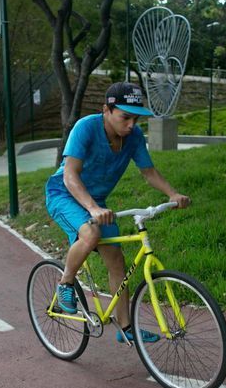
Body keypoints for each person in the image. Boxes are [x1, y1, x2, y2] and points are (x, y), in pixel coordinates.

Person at [44, 82, 190, 344]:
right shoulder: (86, 128)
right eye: (125, 117)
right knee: (90, 234)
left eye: (136, 118)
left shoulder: (133, 138)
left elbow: (149, 173)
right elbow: (69, 174)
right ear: (106, 110)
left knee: (117, 263)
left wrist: (172, 194)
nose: (132, 124)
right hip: (64, 194)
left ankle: (125, 328)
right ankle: (65, 283)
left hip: (96, 201)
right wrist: (93, 208)